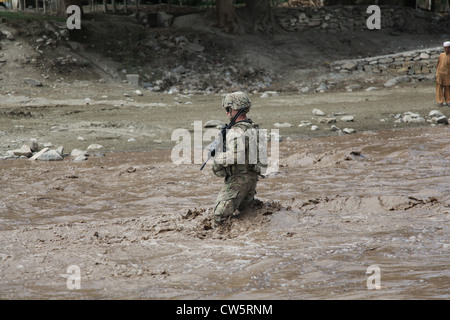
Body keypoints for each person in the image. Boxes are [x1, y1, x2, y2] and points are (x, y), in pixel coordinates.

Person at [211, 92, 267, 225]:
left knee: (219, 217)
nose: (226, 113)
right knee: (247, 212)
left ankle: (228, 241)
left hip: (238, 181)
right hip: (252, 178)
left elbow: (235, 156)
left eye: (227, 109)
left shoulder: (237, 131)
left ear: (234, 109)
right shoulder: (252, 127)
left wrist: (217, 159)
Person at [435, 41, 450, 107]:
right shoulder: (441, 55)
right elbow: (438, 64)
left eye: (448, 48)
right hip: (440, 74)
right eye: (445, 48)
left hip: (447, 75)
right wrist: (437, 73)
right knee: (439, 88)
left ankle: (448, 101)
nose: (446, 49)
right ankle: (439, 101)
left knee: (447, 88)